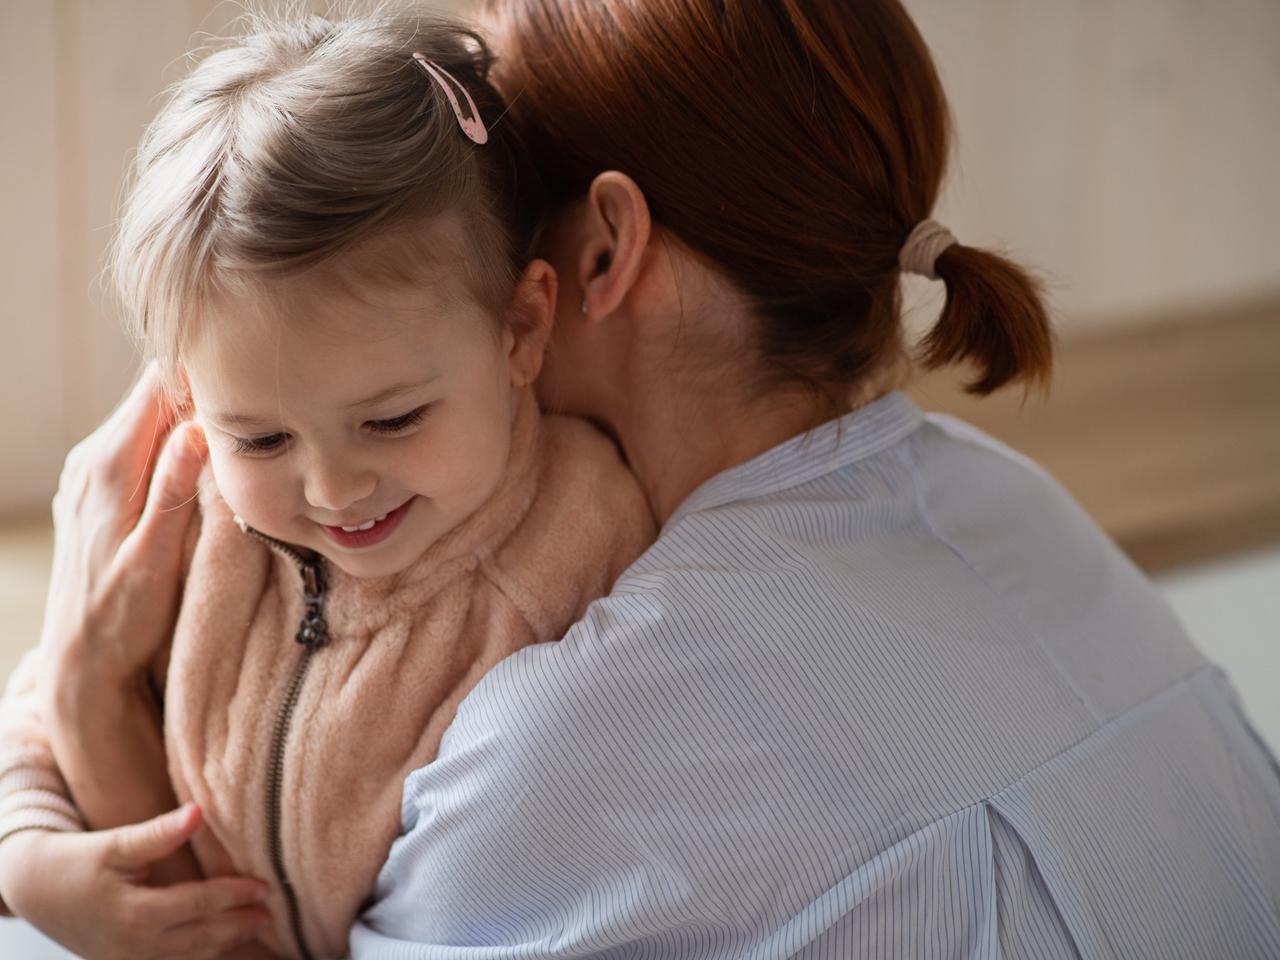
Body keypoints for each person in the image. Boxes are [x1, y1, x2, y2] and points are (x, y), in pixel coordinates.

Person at [6, 0, 1280, 957]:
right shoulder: (1020, 511)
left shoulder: (573, 736)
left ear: (588, 256)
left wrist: (85, 684)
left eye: (507, 199)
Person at [0, 9, 655, 960]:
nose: (335, 490)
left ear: (521, 330)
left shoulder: (584, 547)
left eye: (393, 420)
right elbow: (41, 696)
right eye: (261, 436)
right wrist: (27, 849)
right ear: (187, 398)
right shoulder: (188, 503)